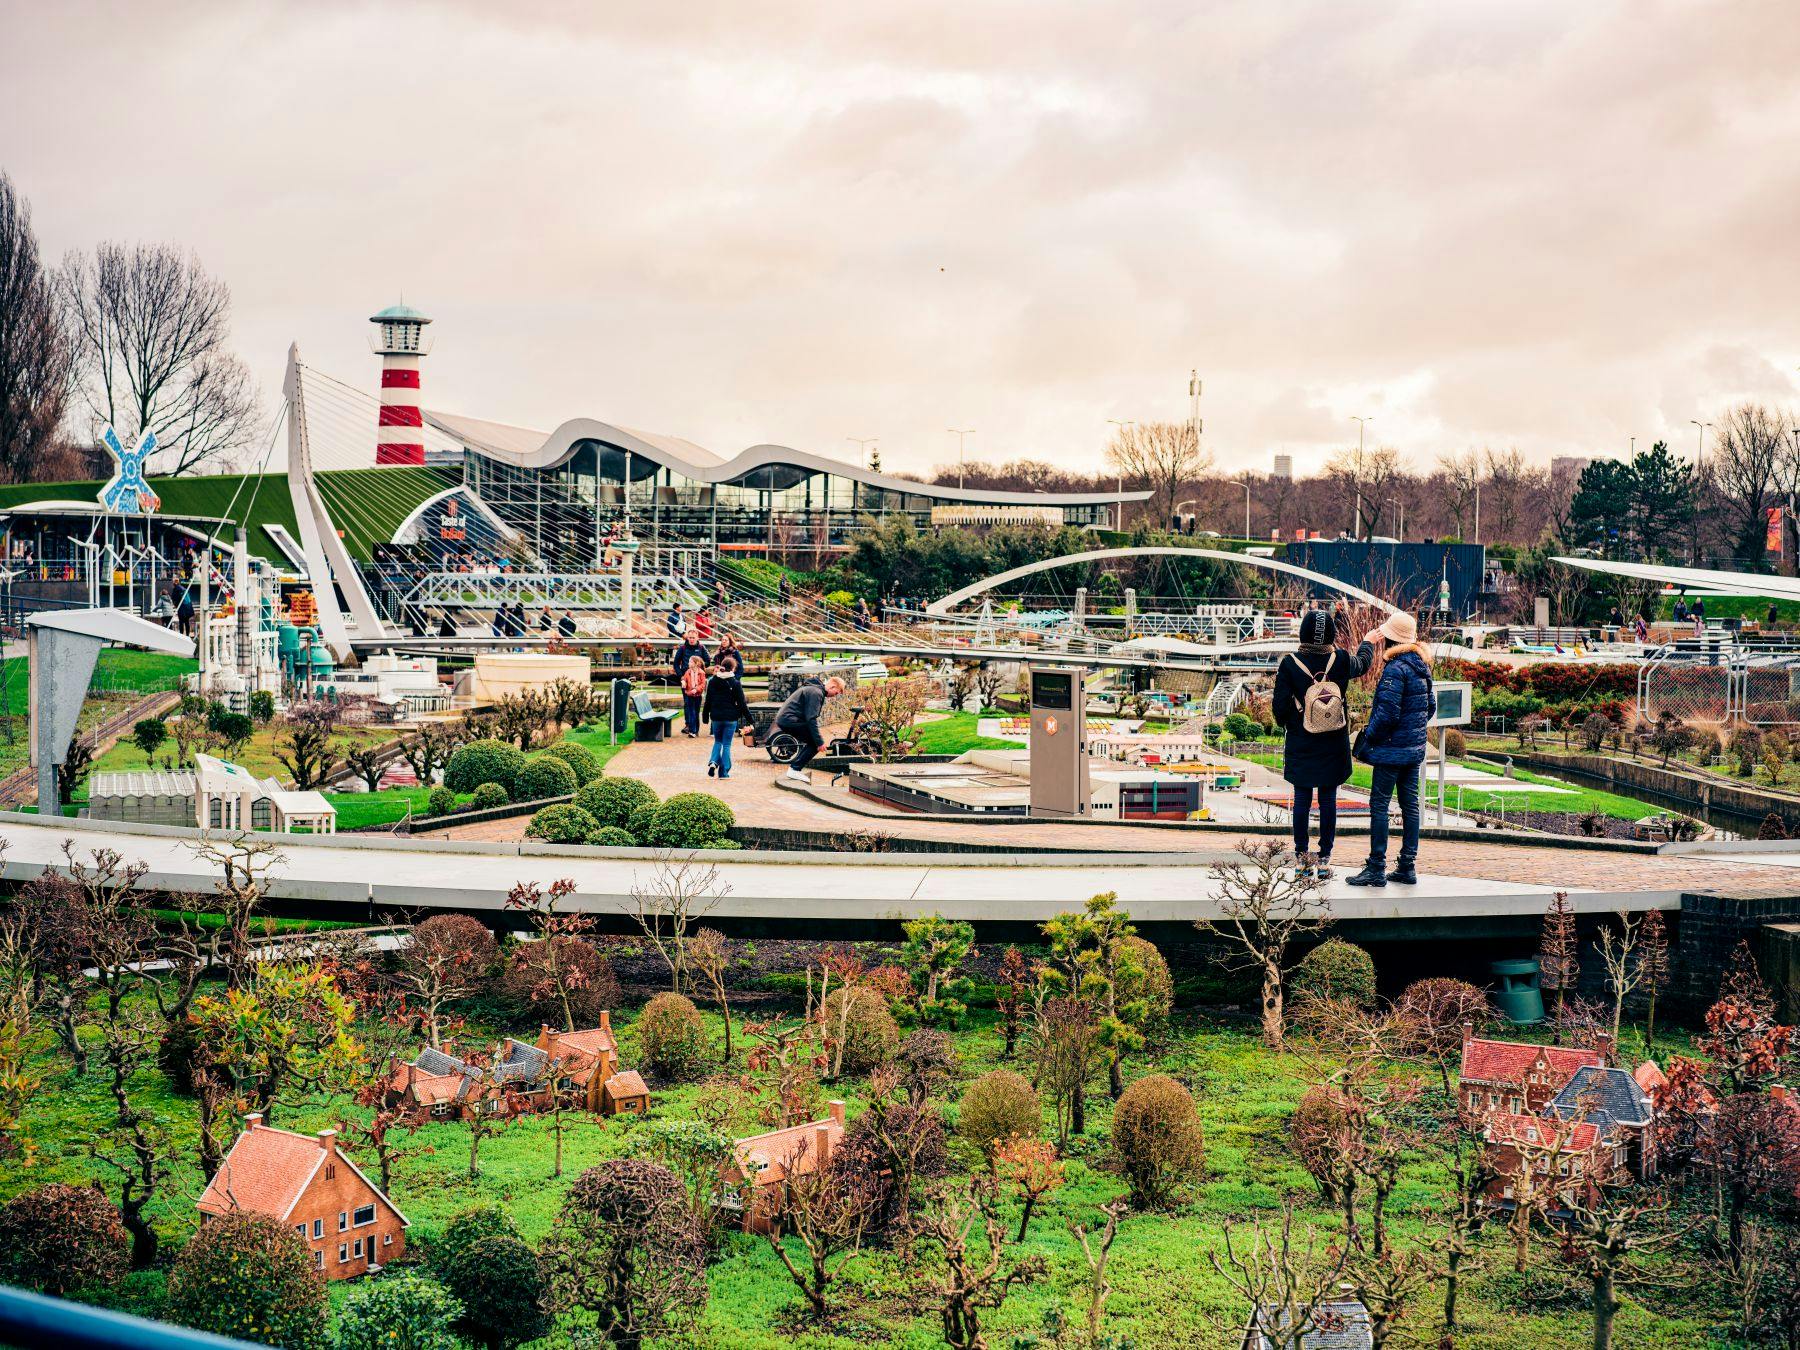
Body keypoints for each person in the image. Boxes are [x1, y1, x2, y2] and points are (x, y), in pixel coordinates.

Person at [1270, 609, 1374, 881]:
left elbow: (1279, 708)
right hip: (1333, 742)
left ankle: (1302, 861)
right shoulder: (1339, 659)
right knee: (1328, 800)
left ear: (1303, 632)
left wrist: (1294, 722)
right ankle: (1325, 860)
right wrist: (1368, 642)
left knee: (1303, 799)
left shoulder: (1290, 663)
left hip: (1302, 742)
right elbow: (1362, 663)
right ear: (1331, 633)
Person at [1347, 610, 1433, 889]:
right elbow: (1429, 707)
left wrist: (1368, 738)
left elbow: (1386, 715)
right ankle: (1407, 866)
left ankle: (1376, 867)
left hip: (1391, 751)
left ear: (1391, 639)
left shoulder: (1395, 670)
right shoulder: (1422, 666)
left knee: (1379, 804)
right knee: (1410, 805)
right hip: (1413, 749)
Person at [774, 674, 845, 784]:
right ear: (832, 686)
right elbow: (811, 719)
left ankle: (795, 768)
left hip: (786, 719)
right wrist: (820, 742)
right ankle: (794, 769)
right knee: (814, 743)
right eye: (836, 693)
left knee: (812, 741)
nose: (834, 696)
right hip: (790, 719)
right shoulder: (816, 693)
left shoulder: (814, 689)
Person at [702, 660, 752, 779]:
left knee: (718, 742)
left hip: (716, 717)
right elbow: (742, 703)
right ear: (733, 668)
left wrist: (705, 717)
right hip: (730, 718)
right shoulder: (735, 682)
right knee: (727, 745)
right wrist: (750, 720)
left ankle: (714, 761)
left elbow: (708, 700)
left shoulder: (713, 681)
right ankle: (723, 773)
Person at [680, 654, 707, 738]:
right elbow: (684, 679)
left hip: (698, 695)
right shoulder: (687, 672)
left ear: (696, 663)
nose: (689, 663)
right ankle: (692, 731)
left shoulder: (701, 673)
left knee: (696, 713)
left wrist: (697, 689)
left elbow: (703, 684)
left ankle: (696, 730)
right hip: (689, 695)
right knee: (691, 713)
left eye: (690, 662)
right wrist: (683, 682)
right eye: (689, 662)